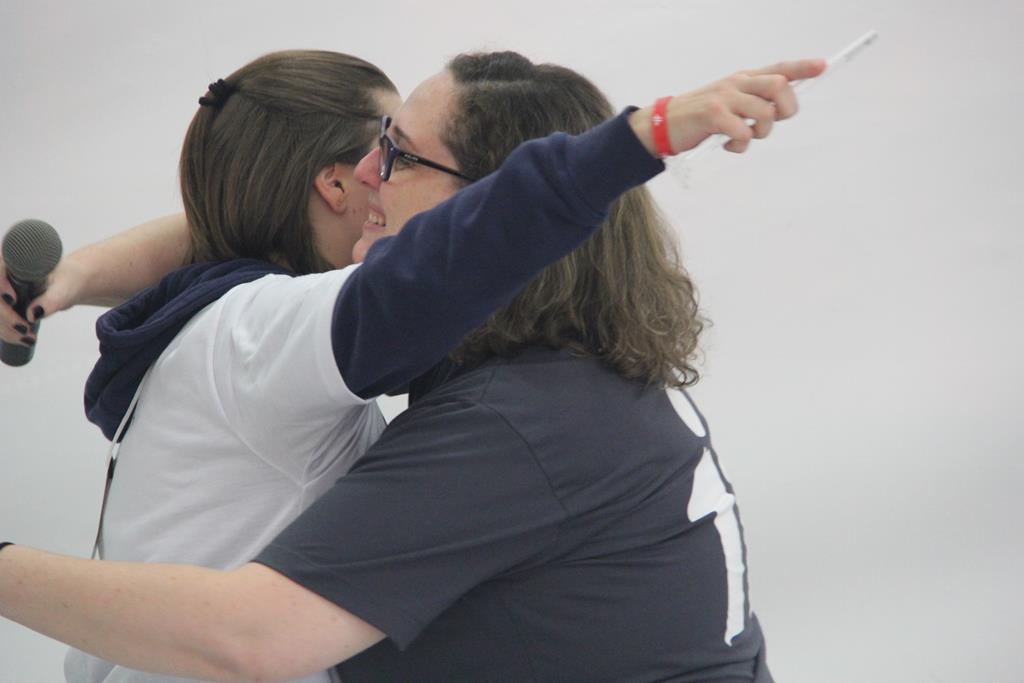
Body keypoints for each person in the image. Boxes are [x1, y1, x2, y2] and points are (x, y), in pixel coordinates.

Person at [0, 51, 826, 682]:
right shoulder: (573, 379)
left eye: (394, 155)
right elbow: (248, 235)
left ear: (486, 214)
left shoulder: (510, 424)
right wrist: (72, 275)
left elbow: (252, 635)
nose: (365, 179)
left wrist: (646, 136)